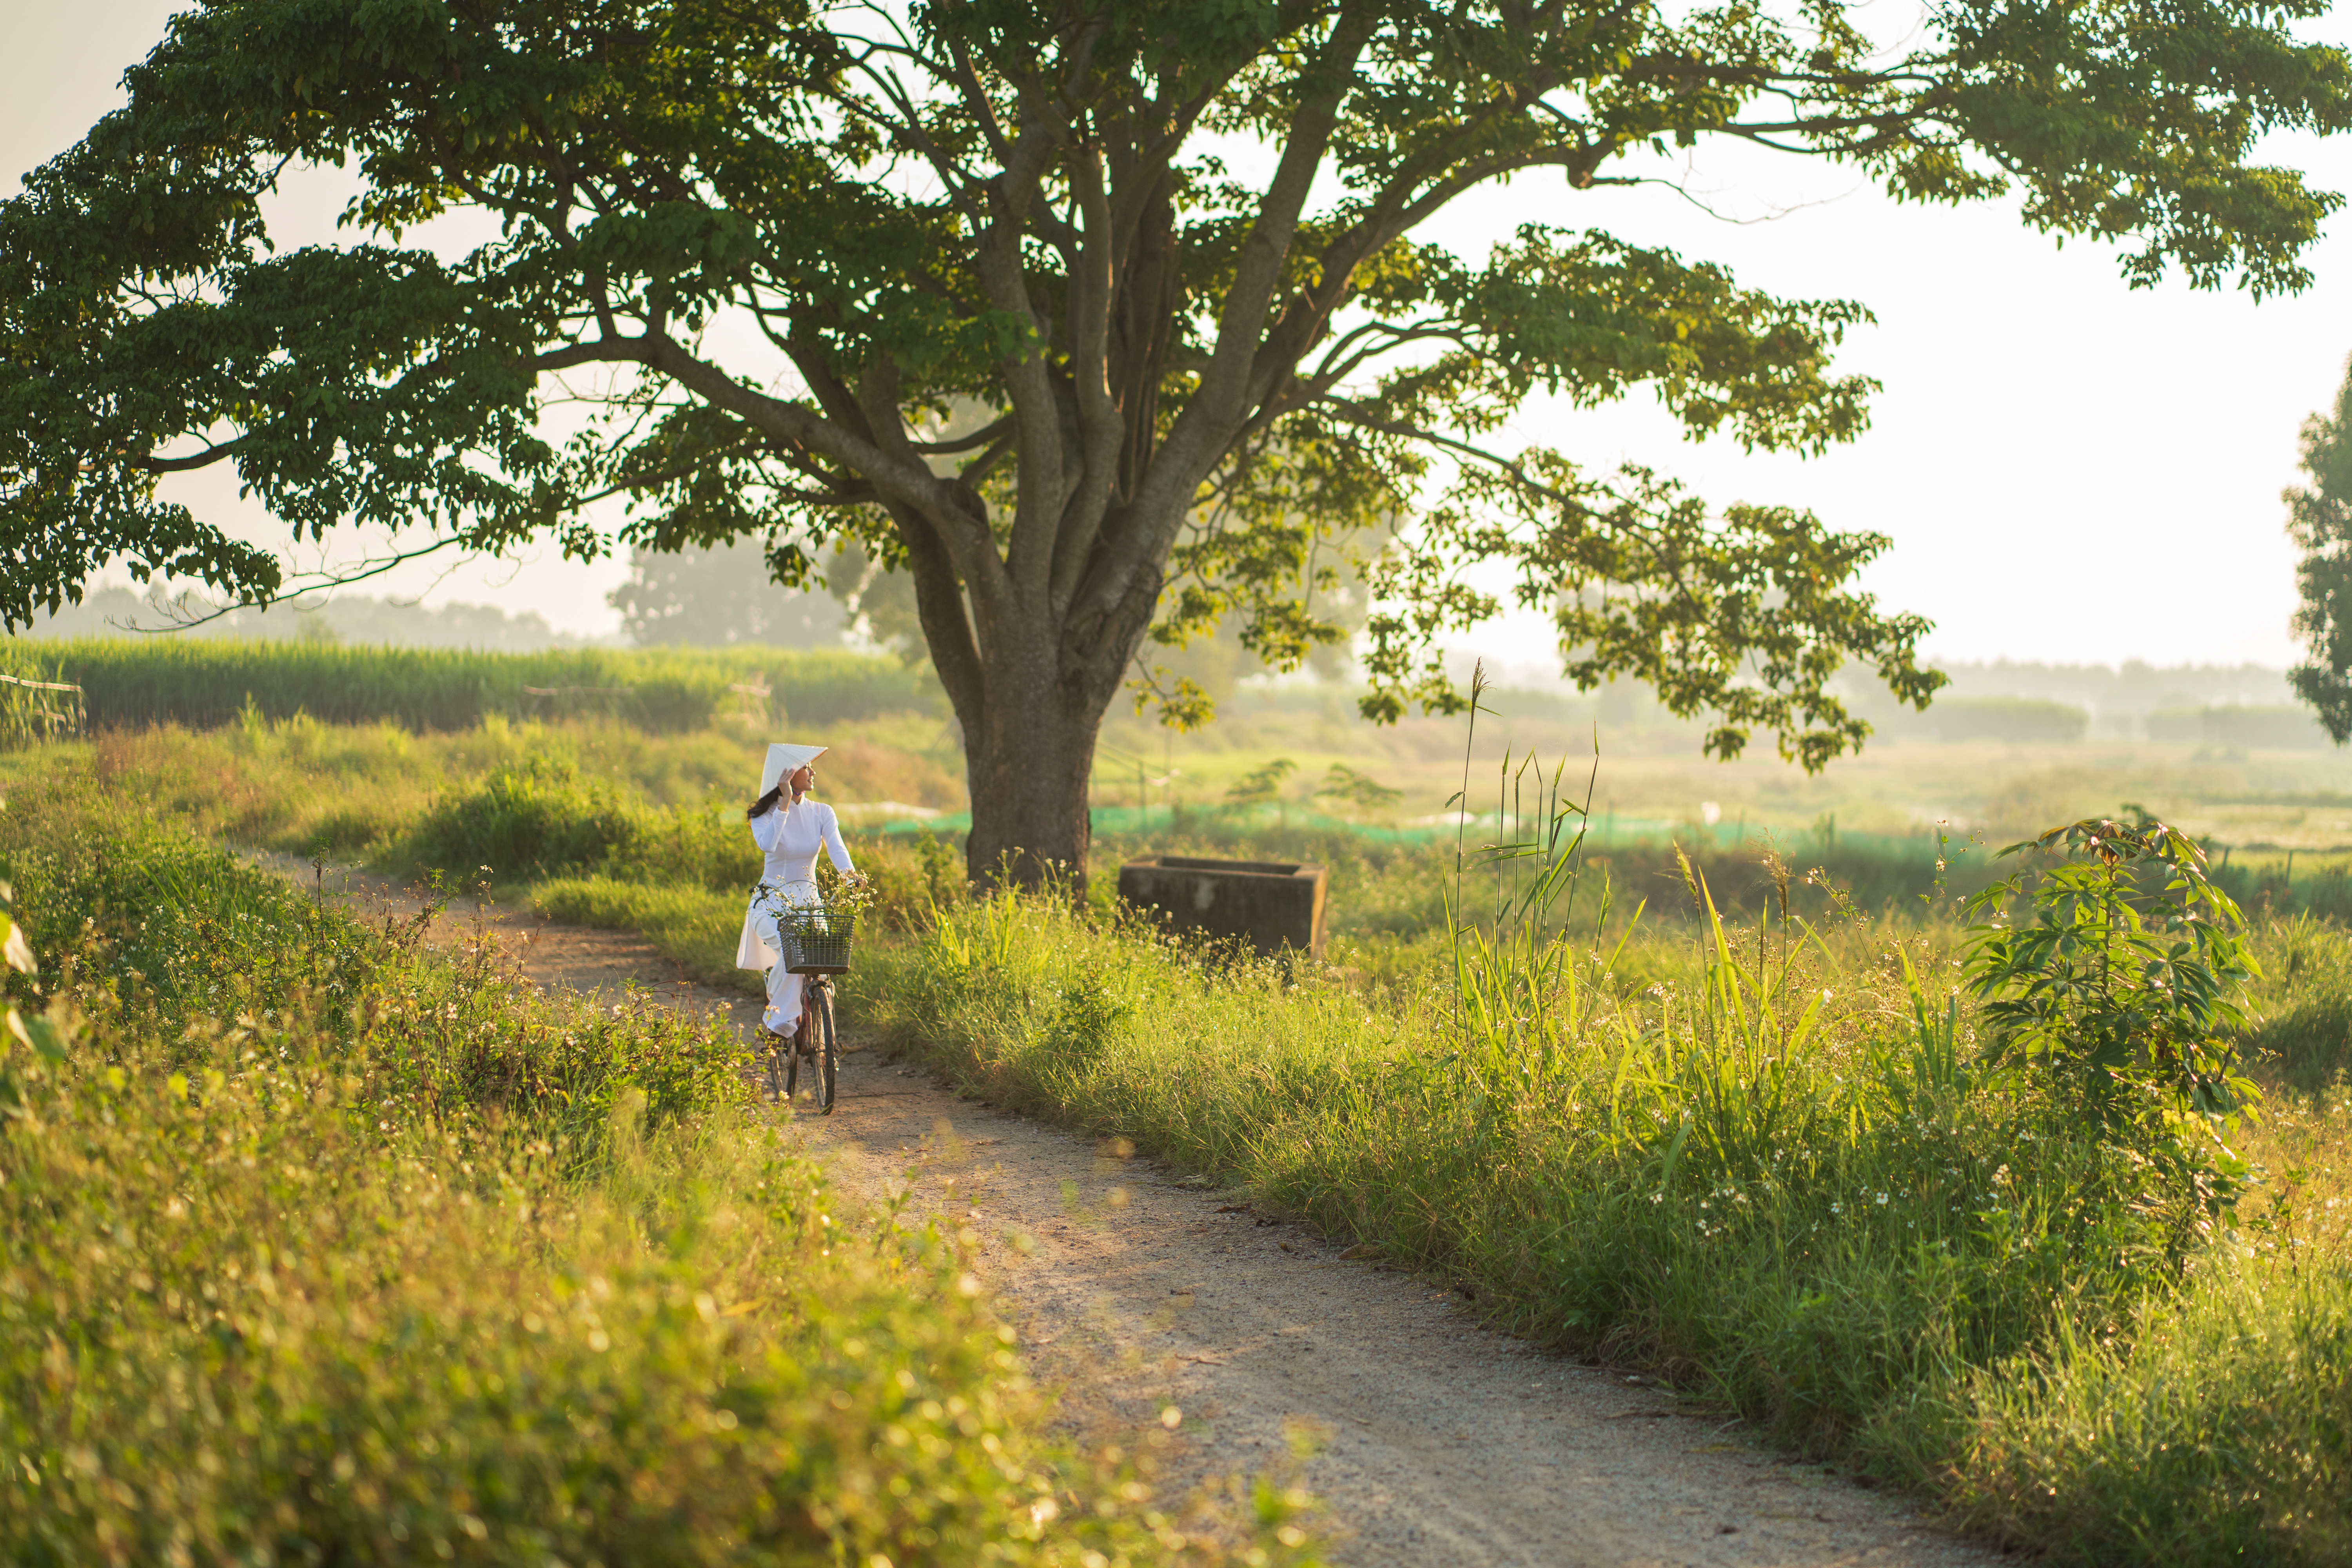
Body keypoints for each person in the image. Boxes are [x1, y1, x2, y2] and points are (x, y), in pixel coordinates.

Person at [734, 742, 861, 1045]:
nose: (813, 772)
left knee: (821, 959)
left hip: (810, 905)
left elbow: (837, 848)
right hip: (771, 904)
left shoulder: (822, 812)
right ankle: (777, 1021)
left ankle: (811, 1017)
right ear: (788, 775)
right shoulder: (764, 816)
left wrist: (850, 875)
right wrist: (785, 804)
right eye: (807, 767)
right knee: (795, 954)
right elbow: (768, 845)